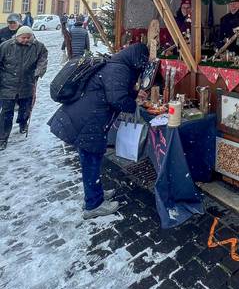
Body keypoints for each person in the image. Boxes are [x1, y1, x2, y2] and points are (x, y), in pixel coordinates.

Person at [49, 43, 149, 219]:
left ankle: (95, 193)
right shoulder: (119, 69)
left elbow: (115, 89)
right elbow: (116, 98)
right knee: (91, 161)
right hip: (87, 123)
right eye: (143, 60)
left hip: (86, 119)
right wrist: (134, 104)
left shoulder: (116, 65)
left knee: (91, 160)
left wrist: (134, 95)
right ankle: (93, 205)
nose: (143, 64)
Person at [0, 26, 48, 150]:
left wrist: (39, 71)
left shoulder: (38, 47)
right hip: (8, 84)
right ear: (17, 36)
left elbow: (43, 59)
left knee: (26, 108)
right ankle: (2, 138)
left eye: (28, 37)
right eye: (23, 37)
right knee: (6, 113)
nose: (26, 40)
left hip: (28, 83)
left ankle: (23, 123)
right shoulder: (6, 46)